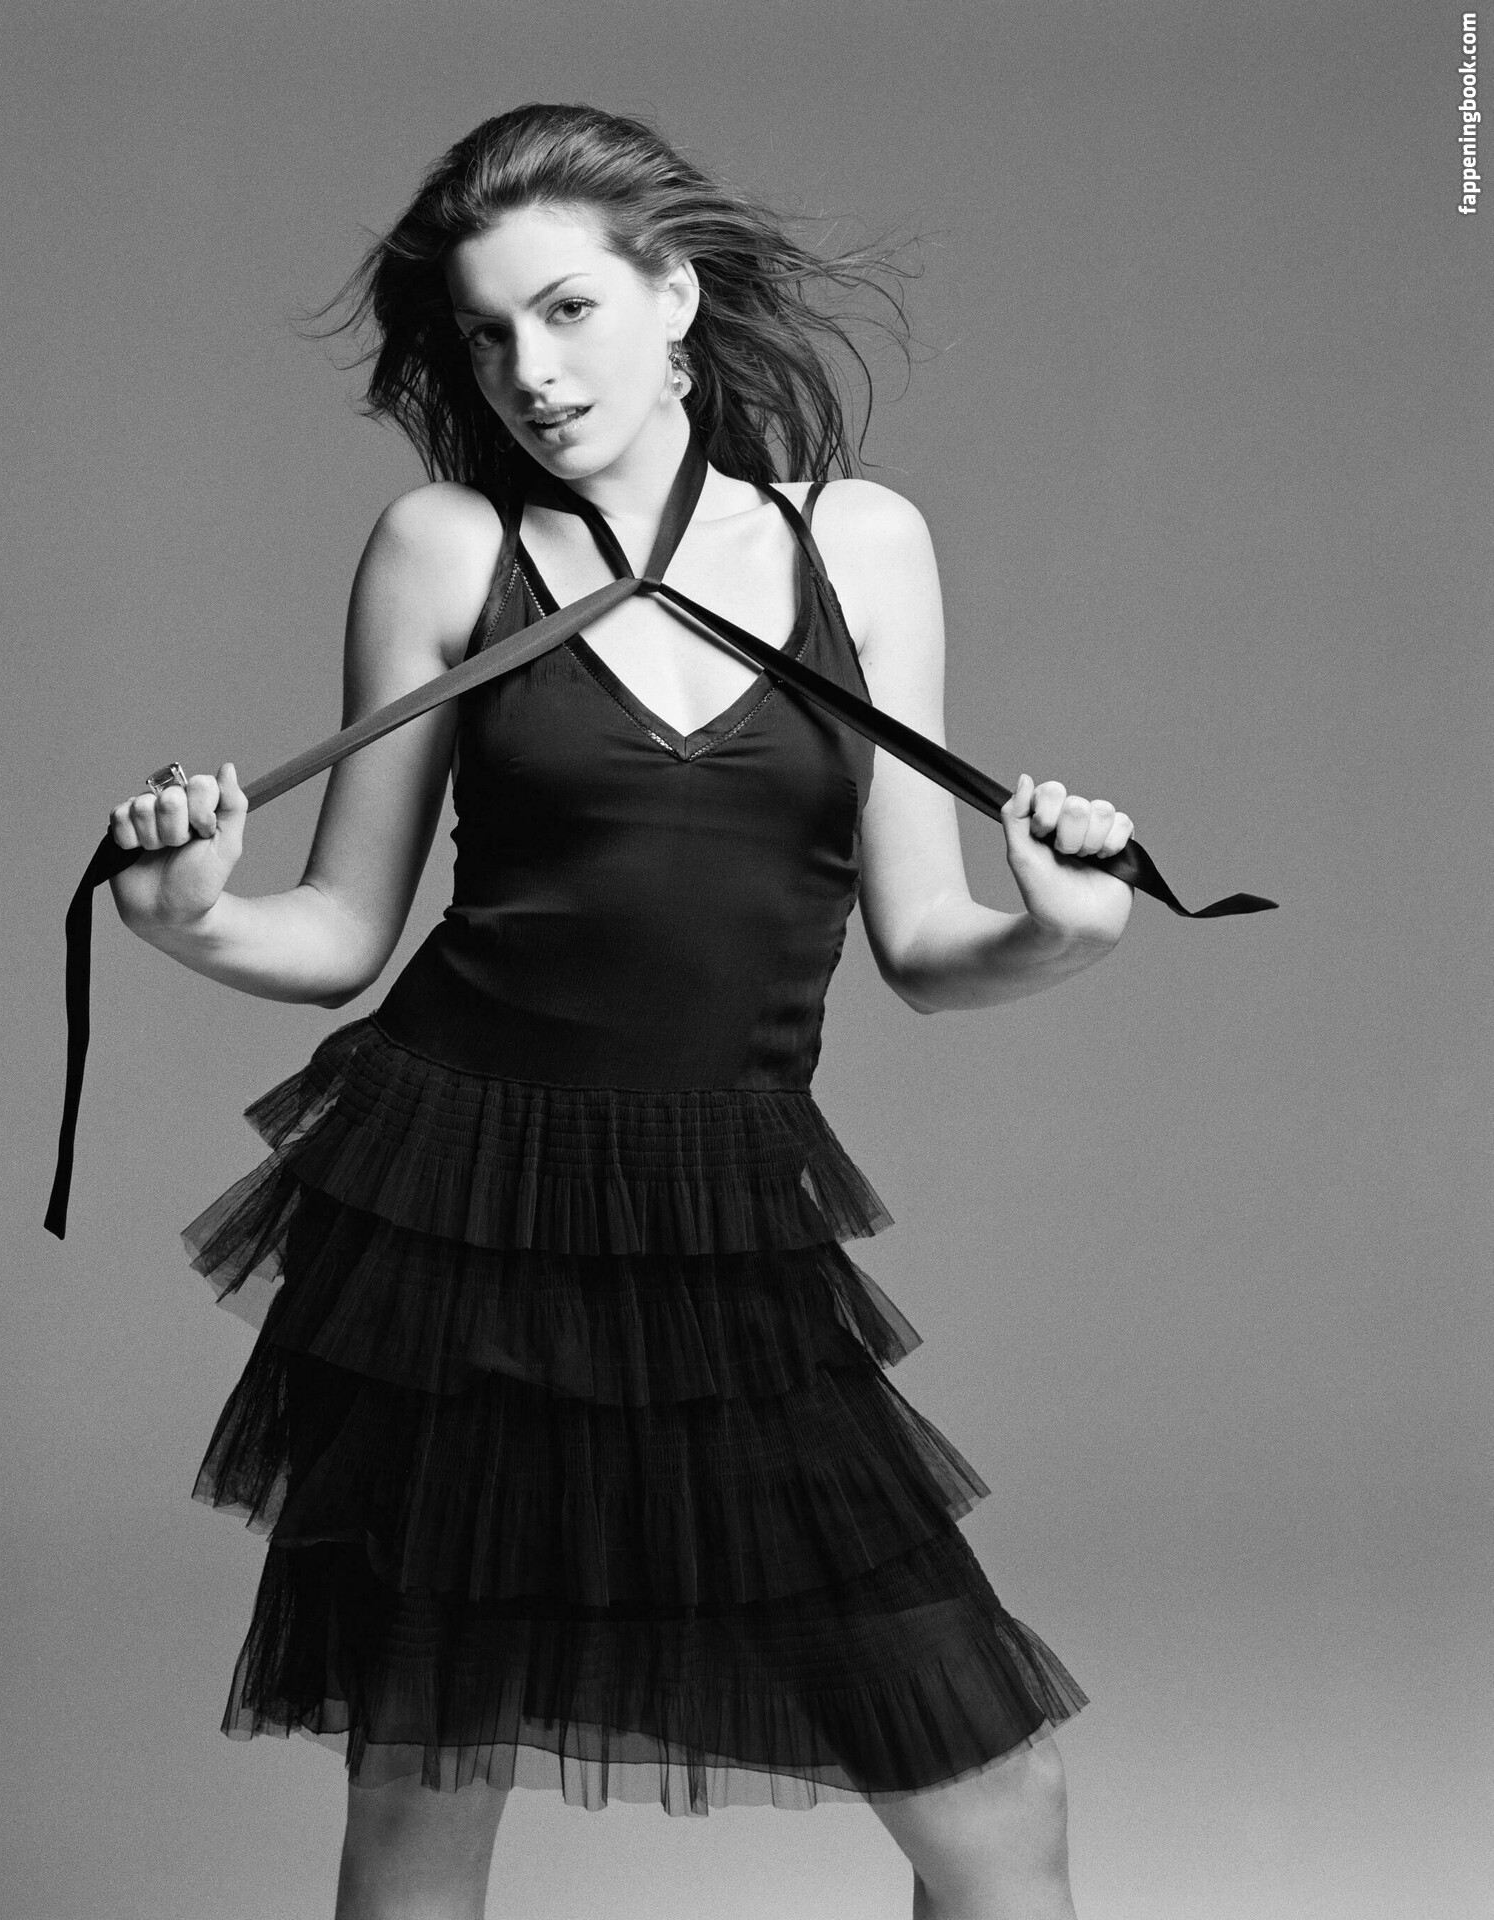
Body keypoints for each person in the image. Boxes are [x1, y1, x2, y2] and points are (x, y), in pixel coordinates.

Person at [107, 103, 1135, 1920]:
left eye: (569, 310)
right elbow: (337, 934)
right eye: (489, 334)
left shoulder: (860, 544)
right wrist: (186, 914)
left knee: (992, 1793)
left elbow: (926, 939)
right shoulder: (445, 546)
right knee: (426, 1794)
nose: (530, 371)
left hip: (721, 1224)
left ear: (676, 298)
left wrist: (1066, 929)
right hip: (461, 1218)